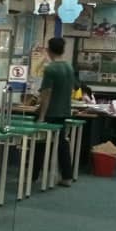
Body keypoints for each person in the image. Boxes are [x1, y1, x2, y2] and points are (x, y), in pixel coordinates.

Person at [37, 37, 76, 187]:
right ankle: (67, 176)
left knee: (40, 143)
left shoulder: (50, 69)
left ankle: (33, 175)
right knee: (62, 144)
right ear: (63, 50)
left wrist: (41, 116)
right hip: (64, 110)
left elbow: (46, 94)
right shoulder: (69, 67)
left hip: (51, 112)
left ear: (49, 50)